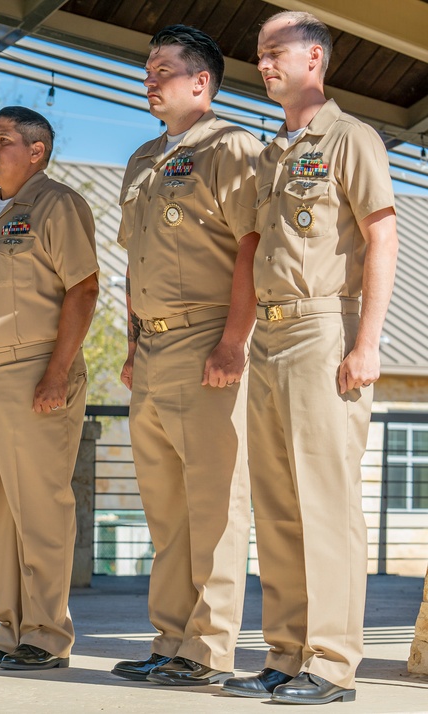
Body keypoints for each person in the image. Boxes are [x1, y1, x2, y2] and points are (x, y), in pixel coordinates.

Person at [222, 11, 398, 705]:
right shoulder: (273, 152)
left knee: (324, 504)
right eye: (260, 53)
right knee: (278, 505)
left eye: (276, 51)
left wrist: (368, 342)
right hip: (269, 334)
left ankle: (331, 664)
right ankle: (287, 654)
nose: (263, 62)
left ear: (315, 58)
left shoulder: (350, 138)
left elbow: (381, 238)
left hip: (324, 327)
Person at [110, 25, 261, 686]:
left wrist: (234, 341)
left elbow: (253, 247)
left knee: (213, 504)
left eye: (163, 69)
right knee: (165, 508)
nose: (150, 79)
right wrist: (134, 339)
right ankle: (170, 640)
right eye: (147, 69)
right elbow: (132, 259)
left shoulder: (232, 148)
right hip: (155, 347)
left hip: (207, 343)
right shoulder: (144, 157)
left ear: (201, 83)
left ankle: (209, 650)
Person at [0, 107, 99, 670]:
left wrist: (57, 373)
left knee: (40, 510)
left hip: (36, 368)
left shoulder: (57, 204)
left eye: (4, 140)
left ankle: (46, 635)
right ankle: (8, 629)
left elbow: (82, 290)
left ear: (36, 151)